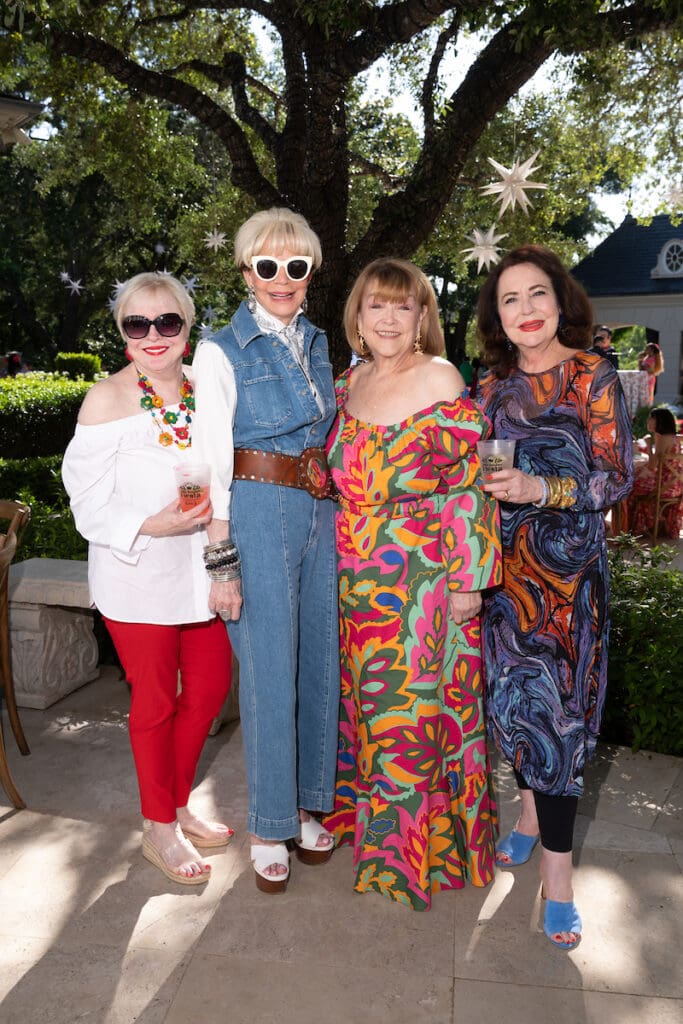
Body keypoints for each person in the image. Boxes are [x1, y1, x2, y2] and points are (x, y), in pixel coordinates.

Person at [323, 257, 502, 911]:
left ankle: (403, 860)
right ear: (358, 318)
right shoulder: (350, 384)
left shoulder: (439, 378)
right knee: (369, 715)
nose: (390, 318)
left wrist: (468, 582)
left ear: (422, 316)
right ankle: (369, 830)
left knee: (412, 719)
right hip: (354, 581)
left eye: (404, 306)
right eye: (377, 305)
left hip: (424, 582)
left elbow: (469, 489)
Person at [476, 244, 633, 949]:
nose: (525, 310)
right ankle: (526, 819)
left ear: (558, 299)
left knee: (562, 726)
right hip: (505, 585)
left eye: (535, 294)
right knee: (514, 712)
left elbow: (617, 477)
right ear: (497, 316)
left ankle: (558, 881)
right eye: (509, 300)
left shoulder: (591, 375)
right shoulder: (491, 388)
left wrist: (544, 490)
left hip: (569, 587)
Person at [62, 272, 234, 886]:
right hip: (137, 579)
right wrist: (152, 524)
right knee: (156, 704)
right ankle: (158, 827)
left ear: (188, 328)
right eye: (138, 324)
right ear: (123, 334)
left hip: (198, 576)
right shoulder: (106, 400)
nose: (154, 335)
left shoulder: (204, 392)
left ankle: (177, 801)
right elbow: (85, 505)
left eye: (168, 322)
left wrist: (222, 561)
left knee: (210, 689)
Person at [191, 208, 340, 894]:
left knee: (317, 662)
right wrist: (222, 564)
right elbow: (209, 463)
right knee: (268, 673)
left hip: (321, 509)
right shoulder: (219, 349)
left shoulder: (316, 342)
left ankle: (309, 805)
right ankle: (267, 825)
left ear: (311, 273)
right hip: (256, 508)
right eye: (268, 265)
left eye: (297, 266)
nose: (283, 279)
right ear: (246, 270)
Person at [623, 407, 683, 538]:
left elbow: (652, 466)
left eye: (651, 418)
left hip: (664, 488)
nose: (648, 421)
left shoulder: (662, 439)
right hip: (676, 487)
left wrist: (649, 446)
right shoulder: (674, 438)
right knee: (636, 475)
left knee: (626, 487)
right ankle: (651, 524)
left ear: (660, 421)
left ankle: (630, 529)